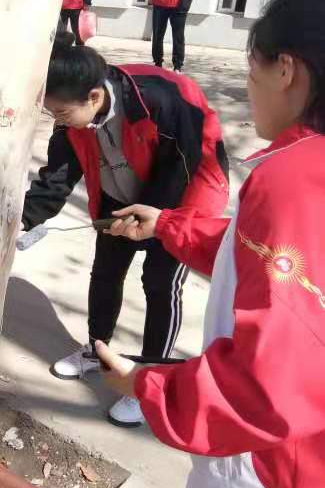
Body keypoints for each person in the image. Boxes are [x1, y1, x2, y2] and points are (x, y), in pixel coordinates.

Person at [97, 0, 325, 488]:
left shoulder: (291, 181)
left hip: (271, 465)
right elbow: (271, 262)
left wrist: (146, 385)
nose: (249, 87)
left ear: (286, 70)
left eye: (252, 69)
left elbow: (270, 384)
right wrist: (168, 225)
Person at [21, 34, 229, 427]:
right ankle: (96, 350)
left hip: (185, 194)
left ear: (94, 97)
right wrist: (25, 219)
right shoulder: (71, 117)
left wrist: (151, 220)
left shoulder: (164, 99)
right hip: (121, 189)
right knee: (106, 271)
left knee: (160, 281)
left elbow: (181, 168)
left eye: (61, 113)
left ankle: (149, 382)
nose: (57, 121)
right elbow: (57, 177)